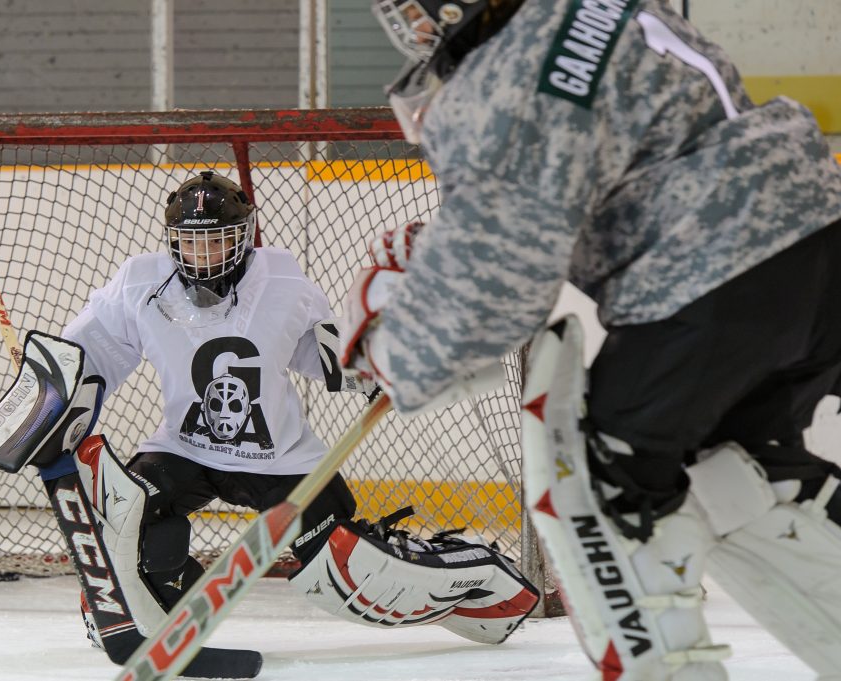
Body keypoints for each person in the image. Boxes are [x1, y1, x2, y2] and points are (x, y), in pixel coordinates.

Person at [340, 2, 841, 680]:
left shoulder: (515, 66)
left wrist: (399, 350)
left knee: (605, 494)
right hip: (814, 242)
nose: (415, 29)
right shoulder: (595, 11)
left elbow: (495, 286)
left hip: (716, 272)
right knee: (733, 477)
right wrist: (443, 266)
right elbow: (574, 180)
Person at [52, 171, 539, 659]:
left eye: (218, 241)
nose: (204, 256)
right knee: (124, 512)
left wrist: (388, 366)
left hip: (281, 461)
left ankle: (480, 577)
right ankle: (138, 618)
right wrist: (50, 403)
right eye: (191, 242)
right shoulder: (139, 282)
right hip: (184, 448)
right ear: (172, 241)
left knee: (352, 573)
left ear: (243, 236)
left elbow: (332, 360)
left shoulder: (282, 281)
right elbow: (83, 355)